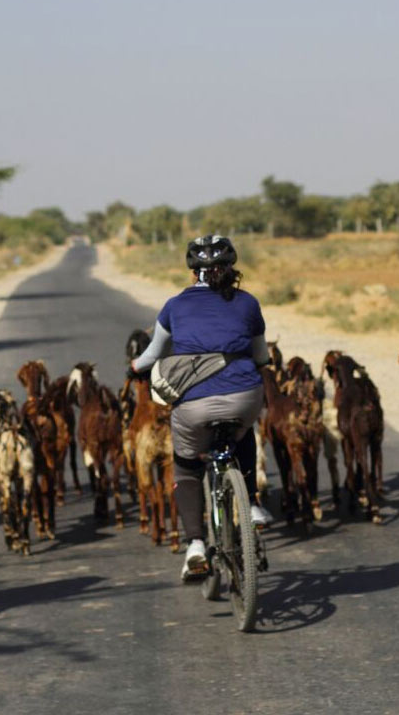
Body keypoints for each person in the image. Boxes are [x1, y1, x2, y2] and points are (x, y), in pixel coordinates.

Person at [130, 235, 274, 581]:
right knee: (244, 434)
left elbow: (151, 356)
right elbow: (261, 356)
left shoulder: (174, 306)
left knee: (185, 465)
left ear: (194, 272)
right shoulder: (248, 303)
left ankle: (195, 544)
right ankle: (252, 504)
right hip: (244, 397)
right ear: (231, 268)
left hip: (193, 406)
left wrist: (134, 368)